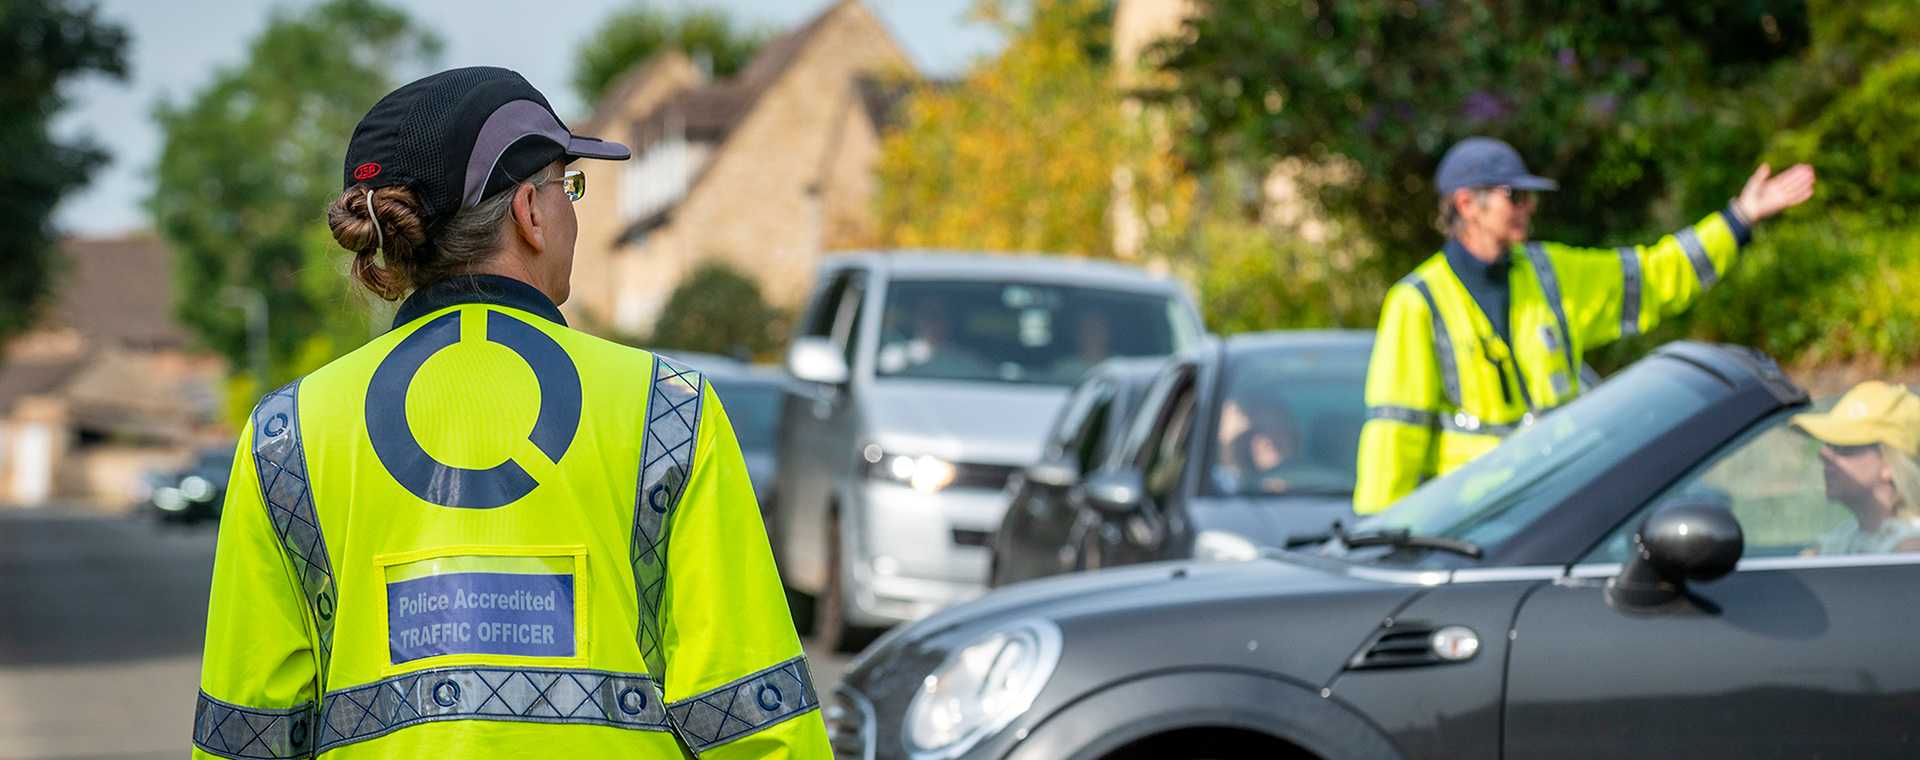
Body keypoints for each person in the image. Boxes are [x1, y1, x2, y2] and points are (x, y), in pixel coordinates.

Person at [192, 68, 828, 759]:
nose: (571, 212)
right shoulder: (668, 412)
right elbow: (756, 728)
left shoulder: (286, 434)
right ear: (529, 210)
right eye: (568, 187)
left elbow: (245, 733)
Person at [1353, 137, 1816, 513]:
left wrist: (1738, 220)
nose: (1529, 207)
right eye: (1515, 196)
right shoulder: (1417, 302)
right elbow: (1396, 427)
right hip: (1476, 520)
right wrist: (1376, 529)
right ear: (1467, 205)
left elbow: (1655, 276)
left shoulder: (1552, 274)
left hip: (1559, 504)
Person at [1790, 381, 1920, 555]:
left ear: (1889, 464)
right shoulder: (1846, 538)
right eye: (1828, 444)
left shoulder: (1909, 550)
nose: (1824, 454)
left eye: (1845, 446)